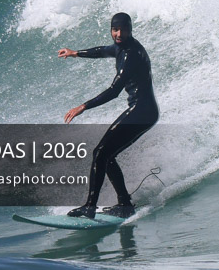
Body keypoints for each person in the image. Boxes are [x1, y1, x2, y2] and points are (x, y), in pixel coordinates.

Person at [58, 12, 158, 219]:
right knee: (106, 155)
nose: (119, 34)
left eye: (123, 29)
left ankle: (90, 207)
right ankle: (124, 204)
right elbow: (103, 51)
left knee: (100, 153)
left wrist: (83, 106)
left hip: (142, 111)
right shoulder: (121, 46)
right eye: (115, 29)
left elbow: (114, 91)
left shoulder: (131, 54)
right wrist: (75, 53)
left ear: (130, 30)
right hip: (143, 111)